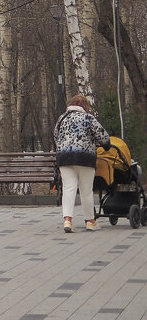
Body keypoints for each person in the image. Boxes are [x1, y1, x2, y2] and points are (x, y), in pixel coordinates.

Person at [53, 94, 111, 233]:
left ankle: (67, 220)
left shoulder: (62, 118)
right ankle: (90, 221)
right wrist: (106, 145)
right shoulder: (88, 118)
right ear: (85, 106)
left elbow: (56, 136)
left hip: (65, 157)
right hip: (85, 157)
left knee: (68, 188)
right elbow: (103, 136)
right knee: (86, 189)